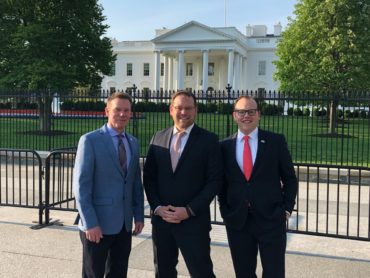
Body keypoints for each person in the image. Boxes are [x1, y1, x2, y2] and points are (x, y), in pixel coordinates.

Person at [143, 90, 223, 278]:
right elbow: (149, 177)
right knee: (163, 272)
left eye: (188, 108)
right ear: (171, 110)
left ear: (196, 111)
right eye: (179, 108)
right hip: (162, 222)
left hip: (193, 222)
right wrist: (157, 207)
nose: (183, 112)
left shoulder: (209, 140)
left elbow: (214, 181)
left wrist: (188, 210)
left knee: (202, 272)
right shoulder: (158, 138)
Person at [218, 95, 298, 278]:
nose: (246, 115)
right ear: (234, 115)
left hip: (271, 219)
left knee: (274, 272)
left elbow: (290, 178)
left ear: (258, 114)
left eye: (251, 111)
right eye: (241, 112)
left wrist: (286, 210)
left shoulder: (275, 141)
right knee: (243, 273)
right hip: (238, 221)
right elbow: (220, 183)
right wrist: (225, 209)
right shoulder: (223, 146)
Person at [73, 92, 144, 278]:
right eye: (117, 110)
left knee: (118, 273)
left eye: (126, 110)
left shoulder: (133, 142)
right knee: (93, 274)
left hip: (124, 226)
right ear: (107, 111)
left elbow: (135, 182)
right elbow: (81, 187)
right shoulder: (90, 140)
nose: (122, 114)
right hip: (97, 226)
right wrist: (90, 223)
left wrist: (138, 215)